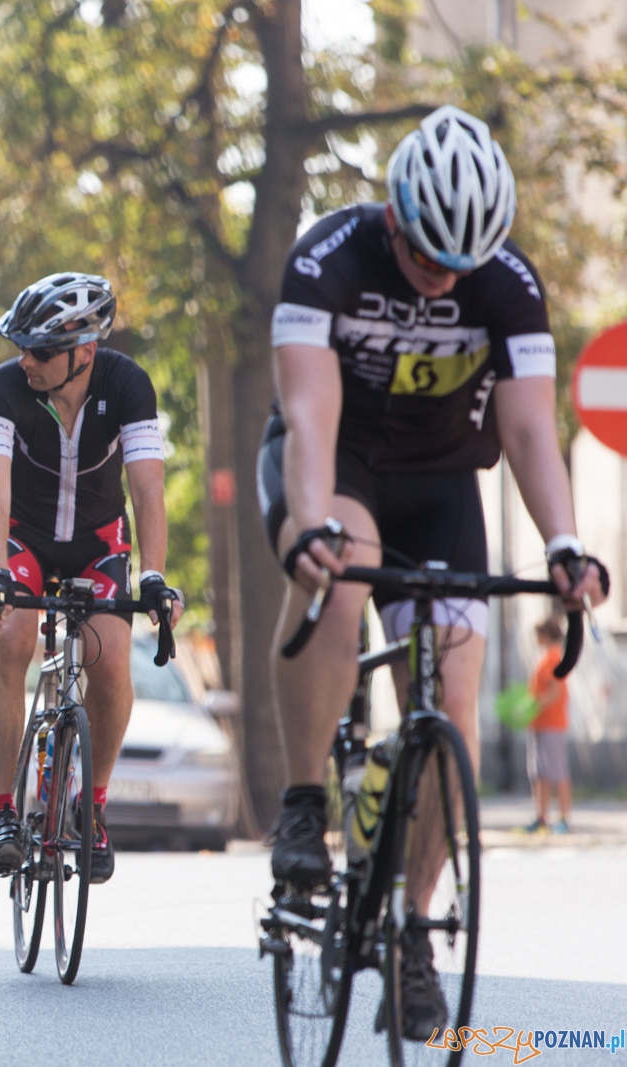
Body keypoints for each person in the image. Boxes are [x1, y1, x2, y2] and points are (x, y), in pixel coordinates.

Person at [259, 106, 608, 1037]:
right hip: (338, 462)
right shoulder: (326, 259)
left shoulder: (509, 284)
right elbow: (309, 409)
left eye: (463, 263)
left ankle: (413, 926)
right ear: (394, 218)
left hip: (446, 479)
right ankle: (302, 804)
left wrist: (565, 543)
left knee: (454, 705)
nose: (443, 277)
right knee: (345, 574)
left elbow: (533, 428)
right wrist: (314, 522)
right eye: (424, 256)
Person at [0, 273, 183, 882]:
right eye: (22, 347)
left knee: (112, 655)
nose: (25, 360)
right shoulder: (1, 390)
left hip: (96, 539)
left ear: (84, 353)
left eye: (39, 350)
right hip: (23, 536)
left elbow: (147, 487)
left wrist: (155, 575)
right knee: (12, 639)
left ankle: (91, 805)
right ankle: (1, 813)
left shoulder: (128, 384)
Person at [525, 615, 572, 834]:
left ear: (544, 635)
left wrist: (532, 704)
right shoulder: (546, 657)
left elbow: (555, 692)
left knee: (557, 771)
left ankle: (563, 818)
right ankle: (541, 817)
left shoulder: (553, 658)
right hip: (539, 724)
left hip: (552, 723)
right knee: (540, 774)